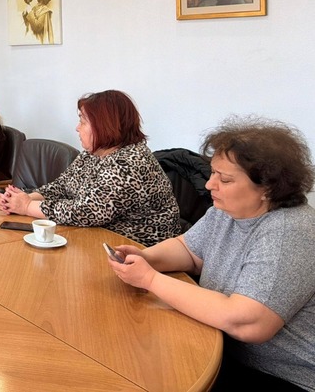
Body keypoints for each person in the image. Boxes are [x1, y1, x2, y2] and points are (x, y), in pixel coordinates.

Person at [108, 118, 315, 391]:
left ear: (268, 188)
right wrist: (148, 258)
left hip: (283, 374)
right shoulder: (227, 210)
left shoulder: (289, 231)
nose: (209, 185)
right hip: (221, 345)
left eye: (224, 179)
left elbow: (247, 323)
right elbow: (189, 249)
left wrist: (150, 279)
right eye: (213, 173)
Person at [0, 90, 180, 246]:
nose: (77, 128)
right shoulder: (95, 152)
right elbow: (63, 186)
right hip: (97, 239)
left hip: (140, 251)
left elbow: (85, 212)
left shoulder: (129, 163)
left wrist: (27, 206)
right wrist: (25, 198)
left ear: (104, 125)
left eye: (83, 121)